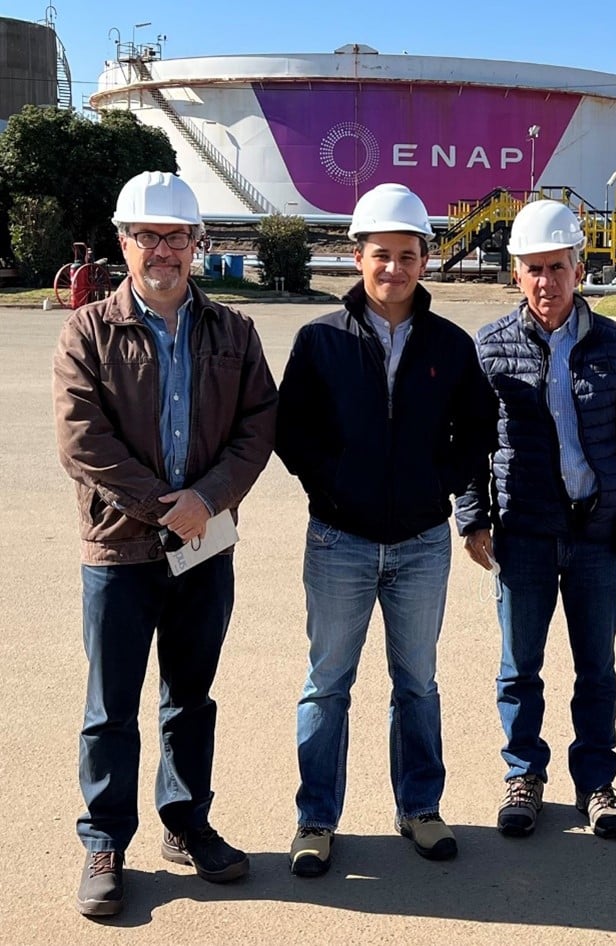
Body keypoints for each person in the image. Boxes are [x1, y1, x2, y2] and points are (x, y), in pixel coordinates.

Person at [54, 171, 279, 916]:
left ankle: (185, 823)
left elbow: (258, 426)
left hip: (205, 549)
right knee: (110, 706)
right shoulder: (87, 331)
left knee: (190, 698)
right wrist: (165, 508)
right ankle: (105, 838)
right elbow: (83, 440)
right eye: (147, 235)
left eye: (176, 236)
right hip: (119, 550)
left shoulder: (233, 333)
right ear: (124, 242)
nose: (162, 250)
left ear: (197, 244)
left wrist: (207, 502)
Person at [275, 183, 493, 876]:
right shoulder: (319, 340)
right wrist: (330, 486)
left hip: (422, 544)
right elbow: (291, 431)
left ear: (425, 260)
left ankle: (420, 810)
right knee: (326, 684)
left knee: (417, 683)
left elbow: (479, 429)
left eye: (406, 255)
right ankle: (315, 820)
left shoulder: (450, 345)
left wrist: (442, 485)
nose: (393, 269)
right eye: (380, 255)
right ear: (355, 256)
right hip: (339, 539)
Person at [456, 200, 616, 840]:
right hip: (525, 534)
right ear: (516, 273)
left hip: (597, 533)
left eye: (558, 267)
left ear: (579, 267)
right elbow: (470, 444)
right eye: (533, 268)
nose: (546, 281)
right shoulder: (490, 348)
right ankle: (524, 776)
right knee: (520, 667)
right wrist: (474, 518)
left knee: (596, 666)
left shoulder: (615, 347)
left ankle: (597, 783)